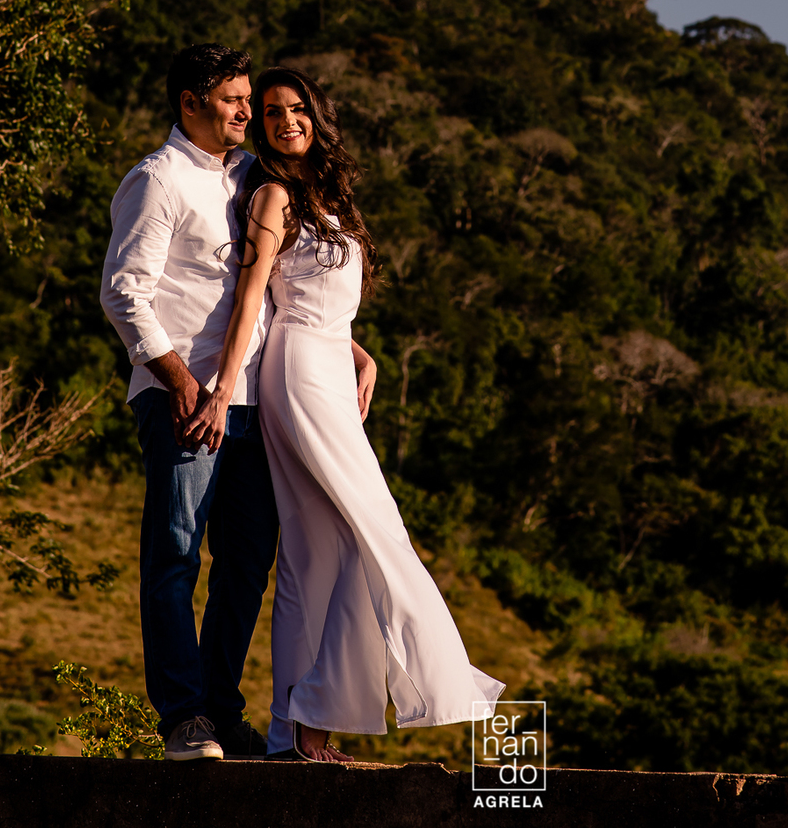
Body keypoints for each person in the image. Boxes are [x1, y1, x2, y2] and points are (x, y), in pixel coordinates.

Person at [187, 65, 503, 763]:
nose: (285, 121)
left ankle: (293, 733)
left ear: (317, 115)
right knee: (372, 531)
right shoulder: (273, 195)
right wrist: (222, 388)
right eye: (271, 113)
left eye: (296, 108)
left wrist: (363, 353)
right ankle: (328, 710)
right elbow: (256, 298)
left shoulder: (327, 197)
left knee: (316, 556)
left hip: (330, 361)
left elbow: (322, 297)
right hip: (297, 375)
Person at [100, 43, 378, 762]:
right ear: (190, 103)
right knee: (175, 554)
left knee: (248, 564)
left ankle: (223, 712)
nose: (247, 113)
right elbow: (124, 294)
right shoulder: (157, 180)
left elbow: (281, 284)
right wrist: (184, 385)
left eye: (248, 100)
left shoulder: (255, 175)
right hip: (184, 398)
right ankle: (183, 718)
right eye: (233, 100)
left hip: (257, 399)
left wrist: (349, 347)